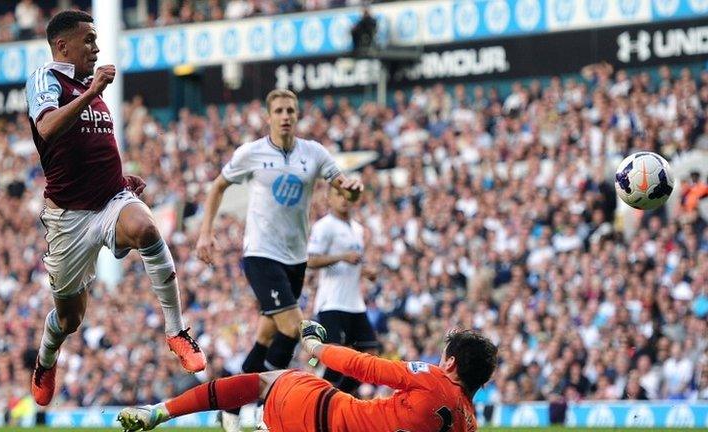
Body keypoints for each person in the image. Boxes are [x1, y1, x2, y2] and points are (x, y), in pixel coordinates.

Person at [24, 10, 206, 406]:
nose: (96, 46)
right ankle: (46, 357)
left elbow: (93, 147)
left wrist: (122, 182)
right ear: (62, 45)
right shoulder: (46, 80)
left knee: (146, 228)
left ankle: (176, 331)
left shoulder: (91, 86)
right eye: (88, 39)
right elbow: (48, 128)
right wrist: (91, 93)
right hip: (69, 218)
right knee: (70, 320)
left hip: (110, 200)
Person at [196, 89, 363, 428]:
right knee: (291, 327)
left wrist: (353, 188)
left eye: (291, 110)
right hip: (260, 252)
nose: (285, 116)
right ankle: (265, 408)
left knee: (265, 338)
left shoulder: (313, 154)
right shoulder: (252, 153)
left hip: (295, 258)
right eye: (279, 111)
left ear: (297, 115)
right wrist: (205, 232)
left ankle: (228, 408)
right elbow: (217, 186)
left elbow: (342, 184)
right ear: (269, 117)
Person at [118, 320, 498, 432]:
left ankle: (162, 412)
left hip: (320, 411)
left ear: (450, 365)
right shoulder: (469, 425)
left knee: (267, 381)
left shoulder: (432, 378)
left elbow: (365, 367)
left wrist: (316, 346)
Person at [308, 187, 380, 394]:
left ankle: (339, 399)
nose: (344, 199)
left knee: (369, 355)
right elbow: (311, 260)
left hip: (355, 303)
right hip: (332, 302)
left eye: (347, 195)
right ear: (329, 197)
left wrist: (366, 272)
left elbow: (353, 263)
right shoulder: (324, 226)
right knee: (337, 359)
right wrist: (341, 257)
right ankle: (318, 400)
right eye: (338, 194)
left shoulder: (357, 229)